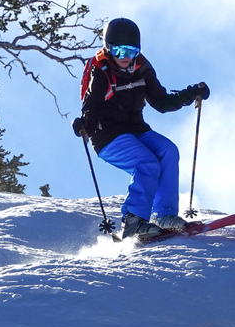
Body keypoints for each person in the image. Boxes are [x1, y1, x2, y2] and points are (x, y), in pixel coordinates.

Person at [73, 18, 209, 241]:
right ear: (108, 49)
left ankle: (164, 216)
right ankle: (134, 221)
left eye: (131, 50)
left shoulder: (142, 68)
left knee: (168, 150)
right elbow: (93, 106)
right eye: (118, 50)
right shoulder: (101, 71)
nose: (125, 56)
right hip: (107, 135)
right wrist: (84, 125)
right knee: (146, 162)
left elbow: (161, 102)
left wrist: (190, 94)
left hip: (135, 129)